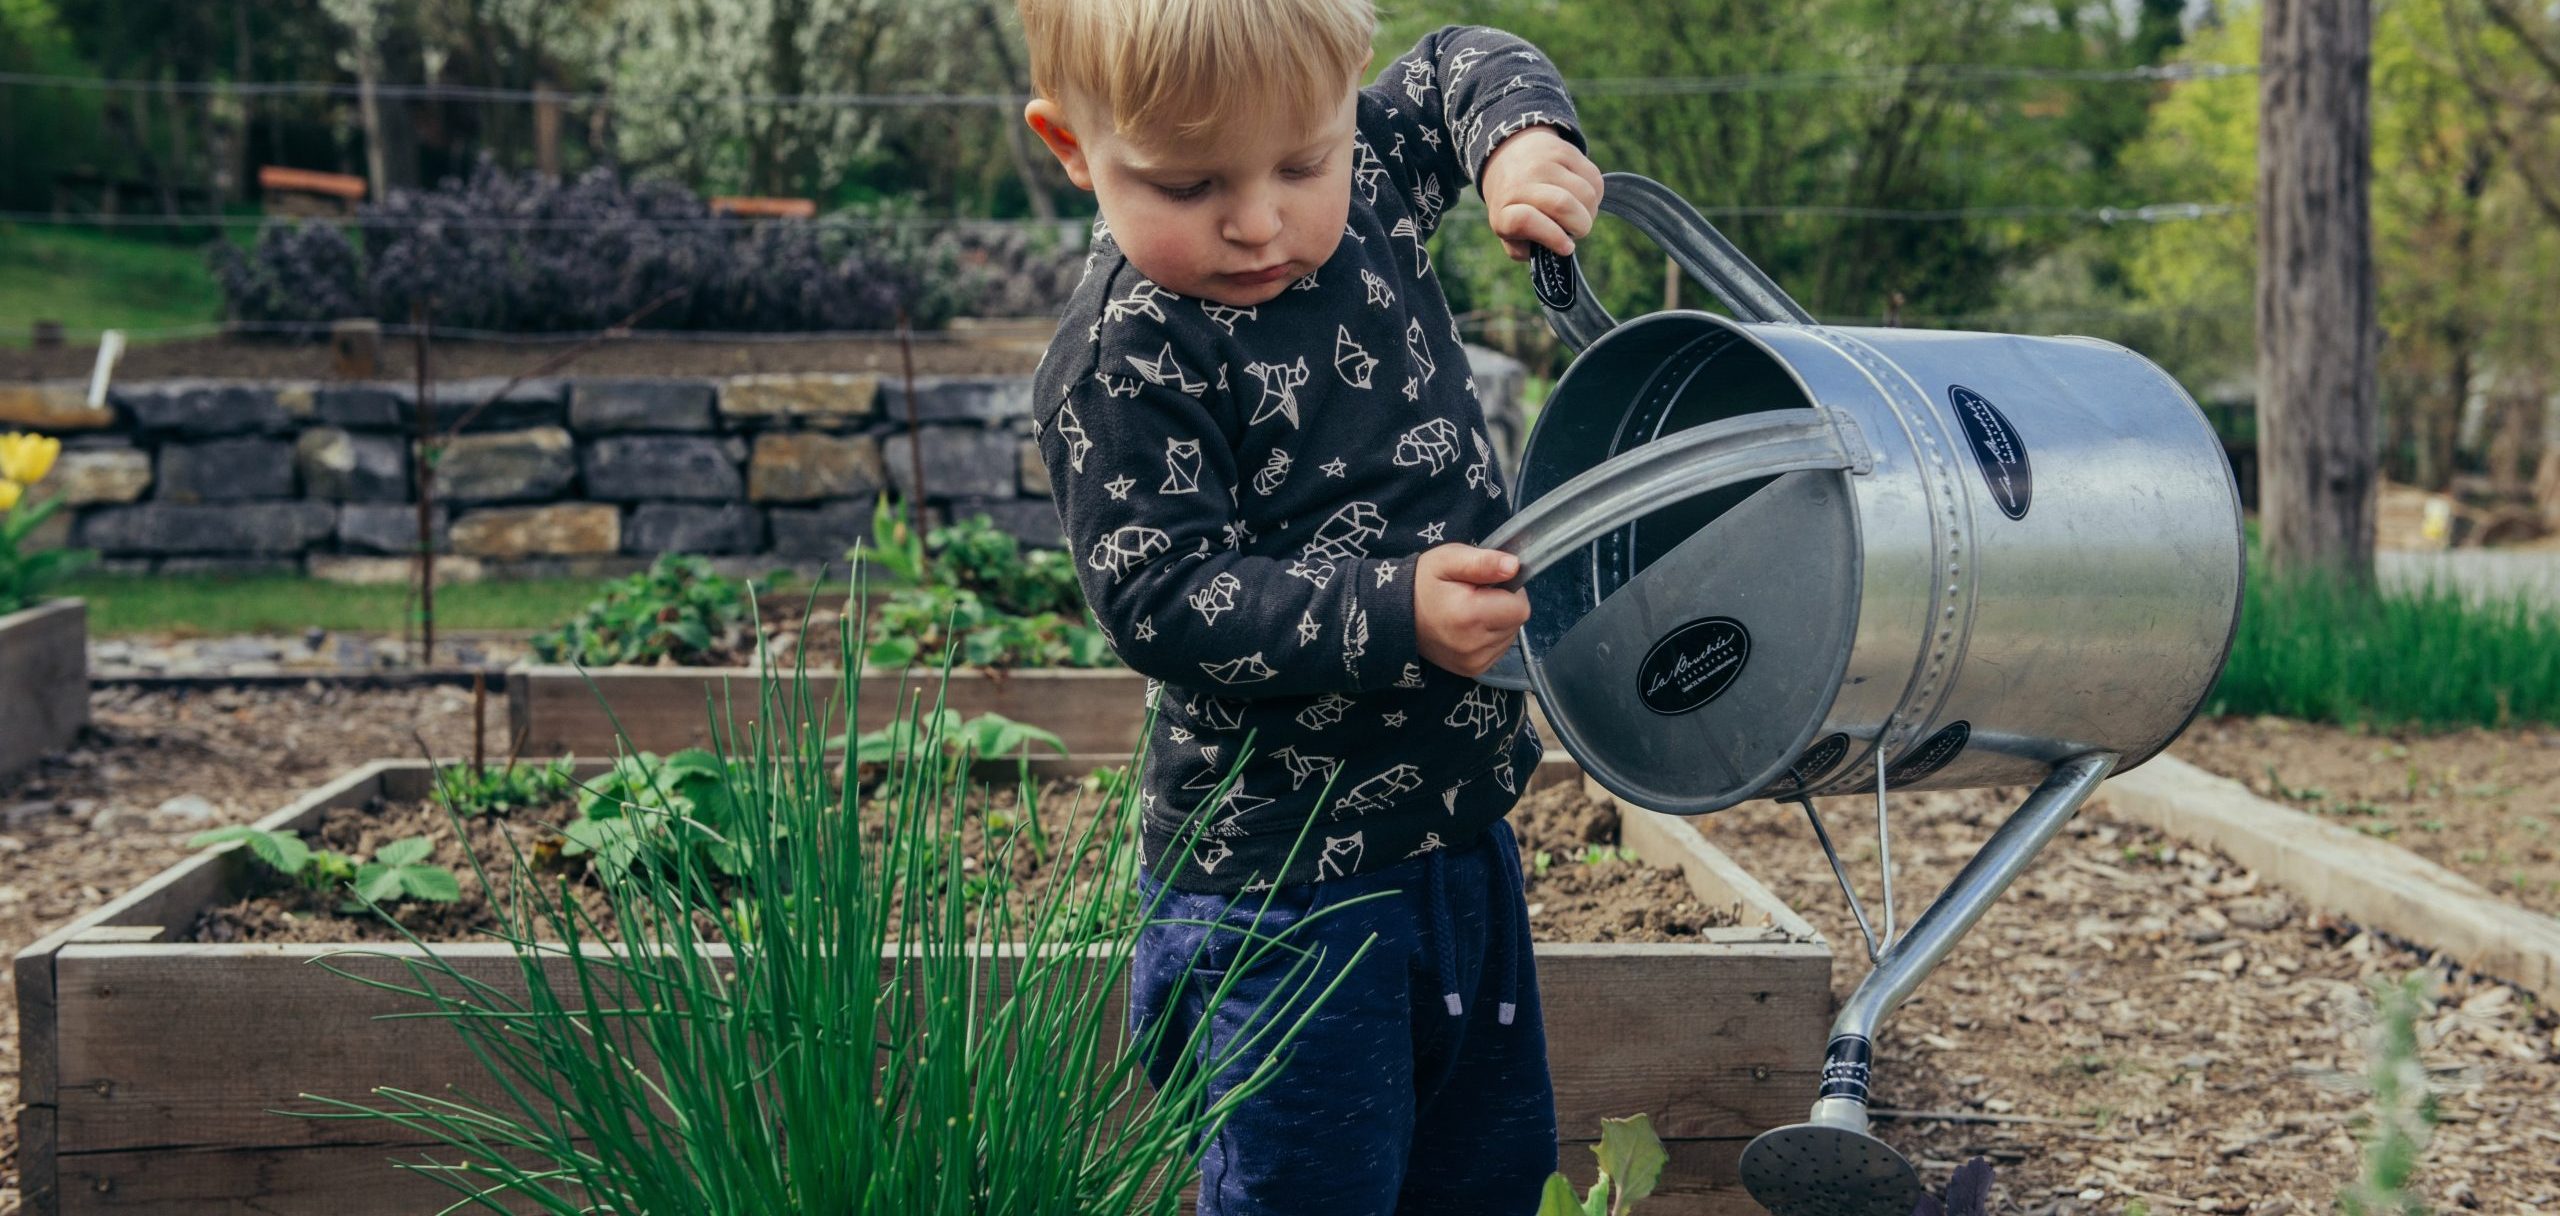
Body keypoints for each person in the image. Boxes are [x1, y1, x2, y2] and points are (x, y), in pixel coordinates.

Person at [1018, 1, 1601, 1210]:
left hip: (1460, 835)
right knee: (1307, 1187)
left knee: (1484, 1174)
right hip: (1282, 895)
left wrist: (1517, 141)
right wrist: (1395, 612)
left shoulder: (1372, 172)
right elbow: (1158, 593)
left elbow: (1456, 60)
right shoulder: (1128, 351)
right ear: (1074, 150)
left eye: (1301, 162)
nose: (1258, 219)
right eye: (1186, 184)